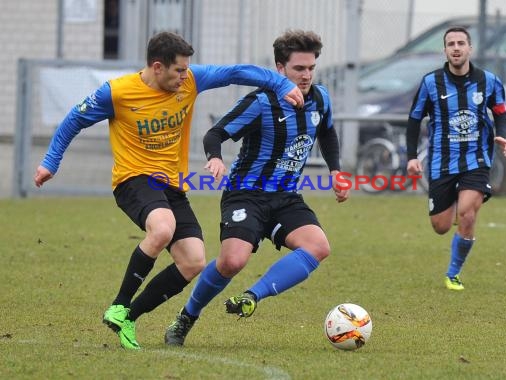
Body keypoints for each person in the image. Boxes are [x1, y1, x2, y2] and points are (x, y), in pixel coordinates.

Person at [34, 31, 304, 350]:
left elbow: (235, 72)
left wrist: (281, 83)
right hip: (134, 179)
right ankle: (119, 305)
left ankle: (129, 318)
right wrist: (51, 161)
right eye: (178, 70)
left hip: (172, 187)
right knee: (163, 228)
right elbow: (72, 121)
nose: (184, 76)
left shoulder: (190, 80)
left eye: (187, 69)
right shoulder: (117, 93)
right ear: (158, 67)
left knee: (193, 261)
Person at [164, 29, 349, 346]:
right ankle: (185, 318)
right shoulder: (261, 102)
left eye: (310, 68)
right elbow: (215, 134)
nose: (306, 76)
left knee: (319, 246)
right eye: (298, 69)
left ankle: (252, 296)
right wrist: (215, 158)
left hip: (285, 197)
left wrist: (335, 171)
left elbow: (327, 133)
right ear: (280, 68)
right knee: (232, 262)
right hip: (245, 195)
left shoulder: (321, 99)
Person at [406, 26, 506, 291]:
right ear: (445, 50)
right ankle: (454, 199)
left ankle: (453, 274)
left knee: (466, 214)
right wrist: (411, 157)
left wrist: (502, 134)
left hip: (477, 160)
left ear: (469, 48)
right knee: (440, 226)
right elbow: (415, 118)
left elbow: (500, 111)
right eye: (450, 43)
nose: (456, 48)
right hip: (441, 162)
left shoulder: (488, 80)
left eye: (460, 43)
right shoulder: (431, 82)